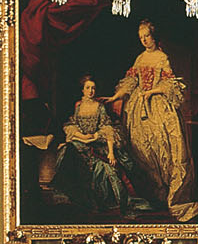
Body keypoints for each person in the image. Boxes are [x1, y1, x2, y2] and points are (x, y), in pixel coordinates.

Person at [108, 21, 198, 221]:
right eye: (141, 37)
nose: (144, 40)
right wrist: (117, 96)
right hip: (138, 109)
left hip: (158, 106)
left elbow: (170, 84)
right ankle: (154, 195)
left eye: (147, 36)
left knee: (166, 147)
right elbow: (132, 81)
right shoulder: (140, 58)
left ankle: (171, 195)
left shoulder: (162, 57)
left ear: (154, 36)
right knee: (143, 149)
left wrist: (151, 92)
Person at [49, 75, 137, 213]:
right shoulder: (79, 106)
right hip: (81, 142)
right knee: (67, 150)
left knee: (106, 170)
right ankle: (65, 194)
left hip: (96, 145)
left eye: (93, 88)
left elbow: (107, 128)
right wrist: (82, 136)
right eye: (88, 88)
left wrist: (110, 152)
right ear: (83, 90)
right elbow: (72, 124)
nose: (91, 91)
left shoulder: (100, 106)